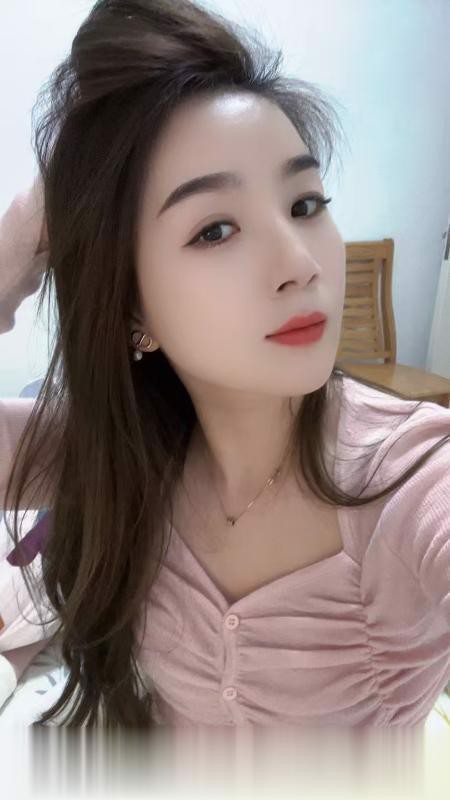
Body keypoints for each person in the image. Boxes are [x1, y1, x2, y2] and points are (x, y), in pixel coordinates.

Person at [0, 0, 449, 733]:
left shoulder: (410, 478)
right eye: (215, 229)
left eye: (305, 204)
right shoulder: (120, 453)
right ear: (132, 308)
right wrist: (15, 248)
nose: (300, 263)